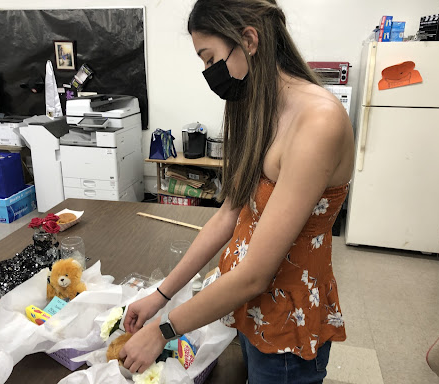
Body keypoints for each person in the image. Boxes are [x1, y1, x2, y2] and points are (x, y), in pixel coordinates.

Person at [119, 0, 354, 382]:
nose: (208, 73)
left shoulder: (318, 121)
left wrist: (163, 331)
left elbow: (256, 274)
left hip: (285, 324)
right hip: (245, 304)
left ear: (249, 39)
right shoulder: (258, 106)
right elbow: (229, 214)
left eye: (210, 58)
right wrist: (159, 296)